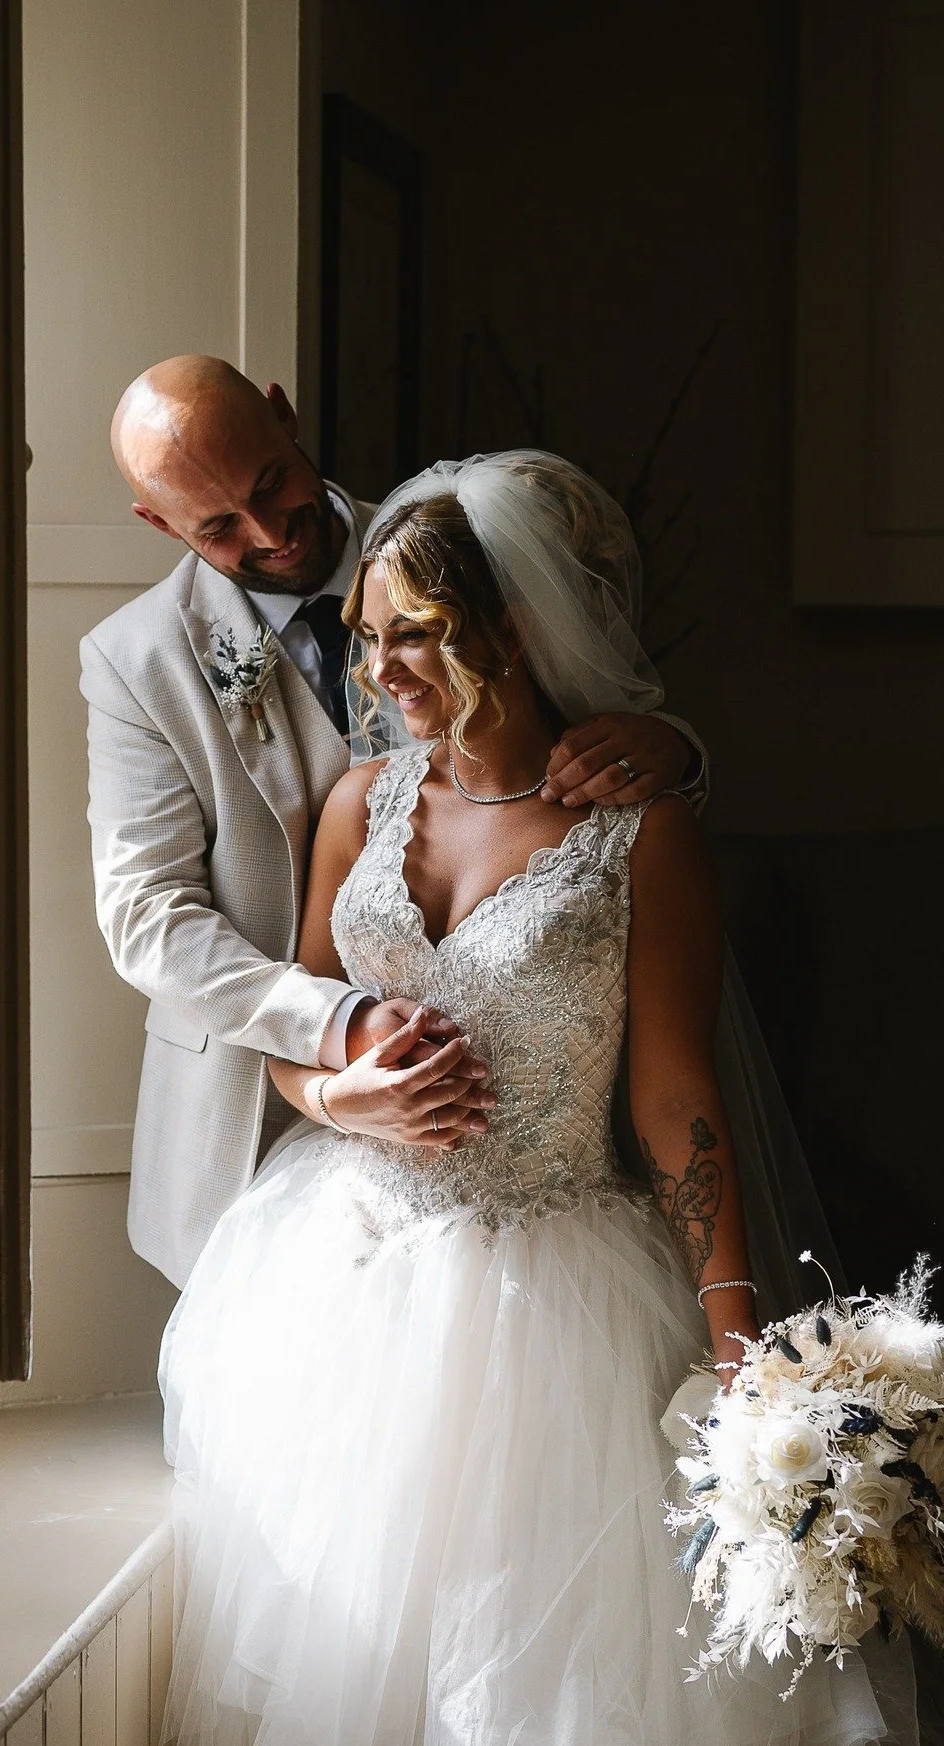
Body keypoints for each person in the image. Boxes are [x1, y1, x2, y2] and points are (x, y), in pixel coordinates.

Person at [157, 453, 944, 1746]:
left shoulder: (638, 837)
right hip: (345, 1283)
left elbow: (677, 1095)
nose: (383, 669)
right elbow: (295, 1039)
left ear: (515, 630)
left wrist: (742, 1346)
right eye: (371, 634)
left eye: (421, 635)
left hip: (556, 1300)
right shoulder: (358, 806)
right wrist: (339, 1093)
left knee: (545, 1700)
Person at [82, 357, 704, 1285]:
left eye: (271, 486)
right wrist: (338, 1029)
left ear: (285, 418)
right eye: (218, 527)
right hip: (261, 1111)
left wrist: (674, 750)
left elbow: (586, 685)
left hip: (528, 1140)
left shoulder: (460, 541)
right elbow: (148, 918)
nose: (268, 533)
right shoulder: (136, 661)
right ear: (159, 525)